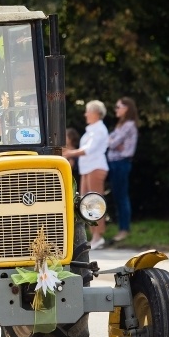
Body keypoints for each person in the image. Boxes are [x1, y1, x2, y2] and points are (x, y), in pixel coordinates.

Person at [62, 100, 109, 249]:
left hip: (96, 168)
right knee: (85, 204)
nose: (85, 114)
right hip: (87, 169)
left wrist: (69, 152)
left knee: (95, 202)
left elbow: (89, 149)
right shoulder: (92, 129)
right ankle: (93, 235)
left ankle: (98, 236)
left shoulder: (100, 129)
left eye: (88, 111)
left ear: (96, 113)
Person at [108, 97, 139, 242]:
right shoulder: (120, 125)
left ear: (126, 108)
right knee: (117, 196)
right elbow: (111, 141)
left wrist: (114, 143)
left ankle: (124, 229)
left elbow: (113, 143)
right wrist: (114, 143)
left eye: (118, 106)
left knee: (122, 196)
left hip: (122, 162)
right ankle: (122, 228)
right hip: (115, 162)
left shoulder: (129, 125)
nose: (116, 109)